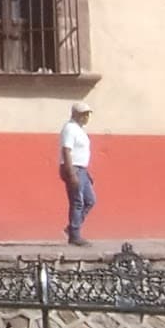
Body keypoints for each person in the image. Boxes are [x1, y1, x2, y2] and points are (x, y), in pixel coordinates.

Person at [59, 102, 95, 246]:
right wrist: (71, 173)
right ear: (75, 114)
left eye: (88, 114)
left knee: (90, 200)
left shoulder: (80, 130)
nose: (86, 117)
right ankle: (75, 235)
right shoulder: (70, 128)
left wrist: (86, 174)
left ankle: (72, 228)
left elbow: (82, 153)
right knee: (77, 202)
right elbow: (66, 150)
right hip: (73, 168)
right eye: (84, 114)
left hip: (82, 169)